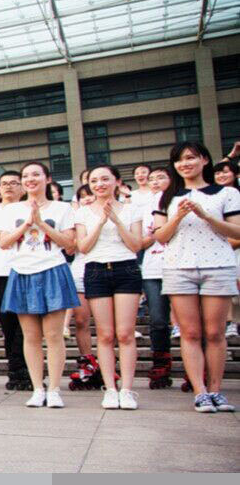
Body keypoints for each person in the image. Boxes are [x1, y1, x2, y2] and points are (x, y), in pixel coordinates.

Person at [152, 142, 240, 413]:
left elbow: (236, 231)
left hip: (217, 266)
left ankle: (215, 390)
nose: (185, 164)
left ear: (204, 160)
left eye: (191, 158)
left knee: (214, 332)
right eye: (179, 160)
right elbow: (160, 236)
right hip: (179, 268)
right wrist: (177, 216)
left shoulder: (227, 193)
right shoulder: (169, 196)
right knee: (189, 333)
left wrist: (205, 215)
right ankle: (200, 392)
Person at [0, 161, 79, 409]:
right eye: (26, 176)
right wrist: (26, 223)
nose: (30, 179)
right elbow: (4, 243)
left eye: (36, 174)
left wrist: (41, 223)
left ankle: (54, 388)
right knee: (30, 336)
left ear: (47, 178)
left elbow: (69, 244)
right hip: (22, 272)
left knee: (53, 335)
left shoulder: (63, 208)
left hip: (53, 270)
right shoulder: (11, 210)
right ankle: (37, 388)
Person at [75, 165, 143, 410]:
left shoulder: (131, 209)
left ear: (117, 181)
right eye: (94, 180)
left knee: (125, 333)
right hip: (96, 270)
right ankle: (110, 389)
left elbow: (136, 244)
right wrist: (102, 222)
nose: (99, 184)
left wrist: (116, 220)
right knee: (104, 334)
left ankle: (126, 389)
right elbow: (83, 247)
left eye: (105, 179)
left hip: (126, 269)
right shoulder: (83, 212)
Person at [0, 171, 31, 390]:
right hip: (0, 273)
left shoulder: (30, 208)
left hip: (28, 270)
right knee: (9, 326)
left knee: (28, 326)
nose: (9, 187)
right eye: (4, 184)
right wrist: (4, 223)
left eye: (14, 183)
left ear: (22, 187)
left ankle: (29, 370)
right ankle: (15, 370)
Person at [140, 168, 175, 389]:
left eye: (160, 177)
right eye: (151, 178)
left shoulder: (182, 201)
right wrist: (154, 235)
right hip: (153, 269)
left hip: (181, 266)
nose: (155, 182)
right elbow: (140, 242)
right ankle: (161, 365)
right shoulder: (145, 208)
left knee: (192, 324)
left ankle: (198, 371)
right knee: (159, 321)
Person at [67, 185, 102, 390]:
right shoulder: (76, 218)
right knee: (81, 320)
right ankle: (87, 361)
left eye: (89, 195)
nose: (87, 199)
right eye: (82, 197)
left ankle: (108, 363)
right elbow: (71, 248)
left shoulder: (115, 212)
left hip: (108, 270)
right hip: (80, 271)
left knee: (108, 326)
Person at [212, 160, 240, 339]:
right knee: (228, 287)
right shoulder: (212, 197)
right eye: (218, 173)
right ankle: (230, 323)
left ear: (236, 174)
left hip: (235, 247)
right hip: (218, 248)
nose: (221, 176)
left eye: (225, 172)